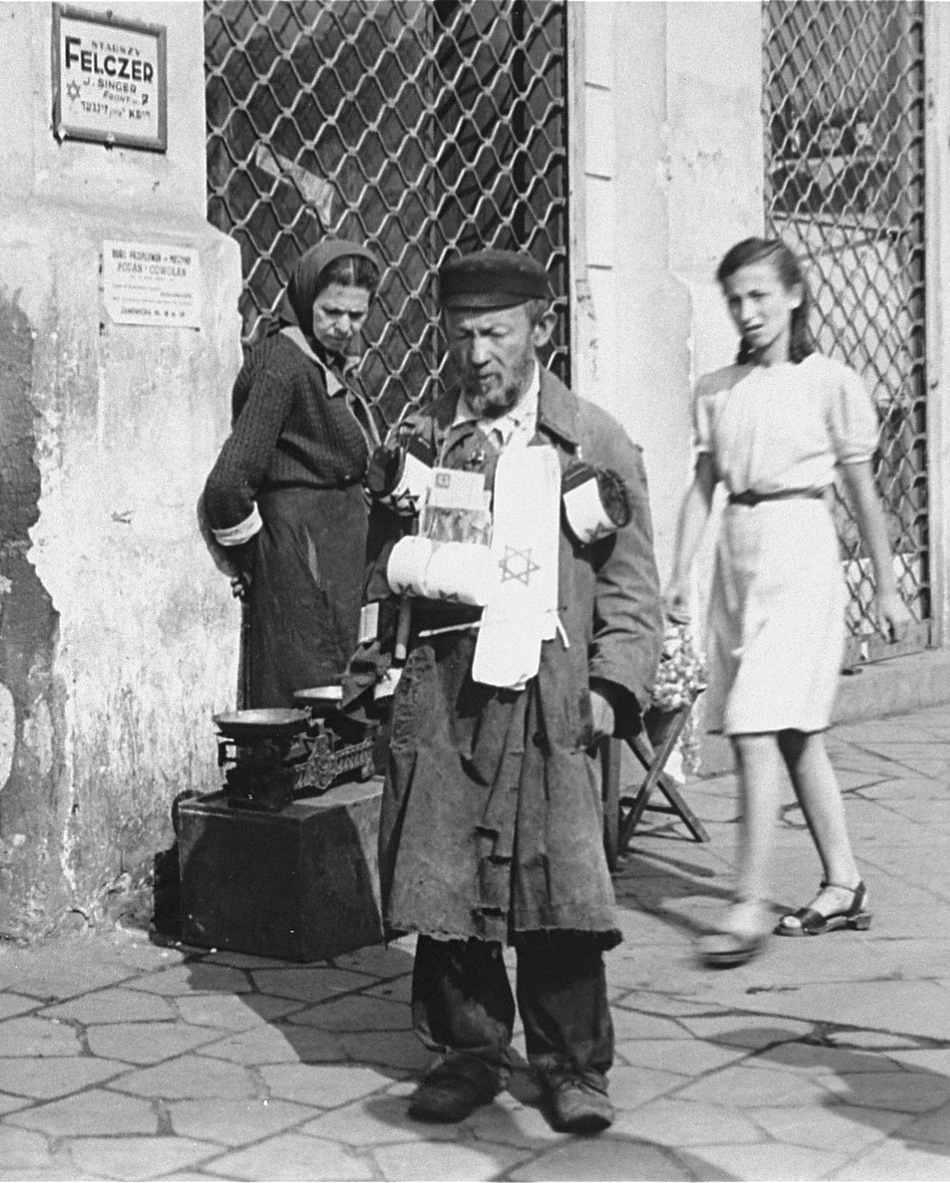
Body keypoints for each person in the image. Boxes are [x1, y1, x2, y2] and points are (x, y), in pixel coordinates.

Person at [364, 250, 659, 1133]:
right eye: (460, 336)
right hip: (446, 697)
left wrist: (613, 684)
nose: (477, 354)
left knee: (557, 877)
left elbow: (633, 584)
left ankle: (573, 1064)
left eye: (495, 333)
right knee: (446, 871)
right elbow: (382, 567)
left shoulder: (591, 441)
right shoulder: (423, 443)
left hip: (552, 697)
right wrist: (381, 677)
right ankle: (467, 1049)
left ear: (541, 329)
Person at [665, 236, 908, 968]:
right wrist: (682, 571)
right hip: (737, 558)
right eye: (736, 298)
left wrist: (890, 587)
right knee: (796, 731)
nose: (748, 311)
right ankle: (843, 881)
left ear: (795, 294)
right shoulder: (716, 388)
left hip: (800, 548)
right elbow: (704, 484)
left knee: (753, 726)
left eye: (761, 295)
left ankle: (748, 902)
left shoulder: (829, 383)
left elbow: (863, 495)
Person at [202, 239, 384, 707]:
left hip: (336, 558)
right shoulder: (281, 365)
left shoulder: (326, 361)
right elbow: (227, 485)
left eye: (357, 316)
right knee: (305, 697)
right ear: (306, 301)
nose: (344, 327)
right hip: (300, 560)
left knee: (344, 697)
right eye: (331, 312)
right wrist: (253, 560)